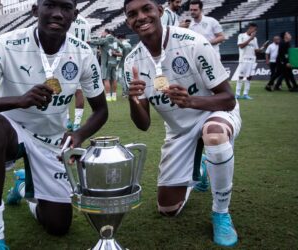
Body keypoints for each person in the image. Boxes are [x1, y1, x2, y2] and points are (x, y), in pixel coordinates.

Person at [0, 0, 108, 249]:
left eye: (65, 8)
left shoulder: (83, 53)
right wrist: (20, 100)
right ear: (35, 10)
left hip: (52, 140)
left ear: (75, 14)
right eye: (50, 5)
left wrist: (80, 134)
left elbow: (101, 110)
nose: (58, 14)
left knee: (59, 227)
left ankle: (22, 185)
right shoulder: (6, 44)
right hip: (13, 130)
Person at [123, 0, 241, 247]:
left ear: (160, 12)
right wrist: (133, 99)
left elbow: (228, 99)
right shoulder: (131, 62)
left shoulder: (193, 42)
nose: (141, 17)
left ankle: (221, 212)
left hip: (212, 112)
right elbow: (143, 124)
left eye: (146, 9)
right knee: (168, 209)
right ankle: (199, 171)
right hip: (178, 130)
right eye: (132, 14)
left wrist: (192, 102)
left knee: (215, 135)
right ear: (128, 22)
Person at [66, 12, 91, 131]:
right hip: (82, 59)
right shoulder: (86, 23)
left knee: (62, 90)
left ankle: (66, 120)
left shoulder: (67, 18)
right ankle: (77, 122)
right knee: (79, 92)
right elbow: (88, 43)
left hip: (66, 59)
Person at [235, 23, 266, 99]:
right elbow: (241, 46)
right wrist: (250, 39)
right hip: (243, 60)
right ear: (250, 28)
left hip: (252, 60)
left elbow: (256, 50)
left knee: (249, 77)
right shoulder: (241, 35)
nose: (255, 32)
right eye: (254, 29)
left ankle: (245, 94)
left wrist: (262, 48)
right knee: (241, 77)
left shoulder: (255, 39)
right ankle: (237, 94)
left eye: (256, 30)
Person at [90, 29, 123, 101]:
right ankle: (114, 96)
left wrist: (87, 41)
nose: (102, 33)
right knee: (114, 79)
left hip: (106, 63)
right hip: (114, 62)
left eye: (102, 32)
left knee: (106, 79)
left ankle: (108, 96)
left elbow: (95, 42)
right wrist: (116, 53)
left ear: (106, 32)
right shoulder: (116, 40)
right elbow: (122, 46)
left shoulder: (104, 40)